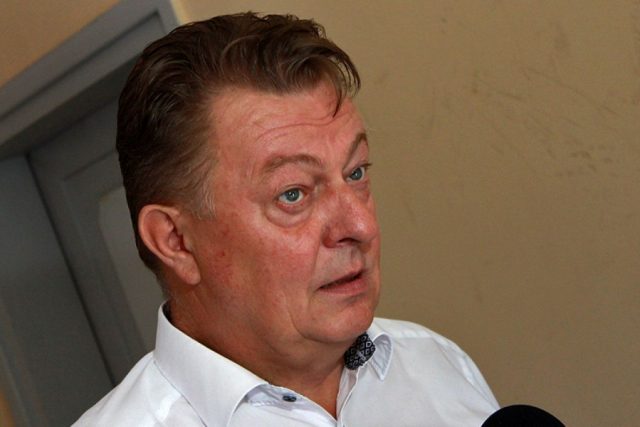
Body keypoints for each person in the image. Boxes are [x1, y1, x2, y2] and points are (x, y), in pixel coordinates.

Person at [74, 12, 499, 426]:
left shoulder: (439, 364)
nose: (361, 226)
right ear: (176, 241)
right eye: (293, 194)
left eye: (356, 173)